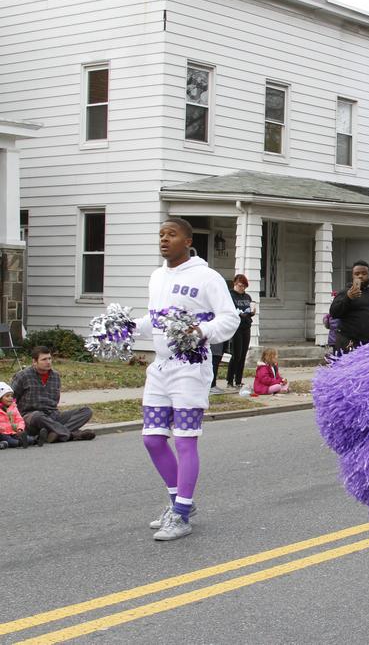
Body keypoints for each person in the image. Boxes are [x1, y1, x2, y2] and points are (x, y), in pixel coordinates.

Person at [134, 217, 240, 541]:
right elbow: (155, 321)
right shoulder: (156, 277)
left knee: (184, 439)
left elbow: (229, 319)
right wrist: (124, 327)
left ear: (188, 241)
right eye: (161, 235)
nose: (165, 239)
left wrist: (201, 332)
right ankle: (179, 502)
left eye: (172, 234)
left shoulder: (206, 277)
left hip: (191, 367)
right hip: (161, 366)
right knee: (152, 438)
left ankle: (180, 515)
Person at [11, 346, 95, 443]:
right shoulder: (23, 376)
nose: (48, 362)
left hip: (52, 415)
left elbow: (55, 400)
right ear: (34, 361)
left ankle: (55, 434)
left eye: (50, 358)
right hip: (30, 416)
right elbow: (9, 399)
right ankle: (71, 434)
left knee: (86, 411)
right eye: (44, 359)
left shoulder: (55, 376)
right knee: (38, 416)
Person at [328, 261, 369, 353]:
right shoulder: (344, 293)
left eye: (364, 273)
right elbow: (334, 313)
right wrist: (348, 298)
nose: (360, 276)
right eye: (357, 274)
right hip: (348, 342)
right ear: (352, 276)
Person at [225, 274, 254, 389]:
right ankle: (229, 380)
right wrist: (239, 314)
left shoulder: (247, 297)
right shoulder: (230, 295)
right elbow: (229, 310)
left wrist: (251, 312)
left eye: (244, 286)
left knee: (243, 355)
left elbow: (251, 308)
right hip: (236, 327)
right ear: (235, 284)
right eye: (240, 286)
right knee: (236, 354)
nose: (242, 288)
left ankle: (238, 380)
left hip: (246, 326)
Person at [0, 382, 32, 449]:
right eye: (7, 396)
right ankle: (20, 443)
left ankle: (36, 439)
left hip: (13, 431)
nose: (10, 398)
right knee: (9, 440)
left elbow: (19, 420)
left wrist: (20, 428)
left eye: (11, 396)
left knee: (26, 438)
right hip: (2, 433)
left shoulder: (13, 408)